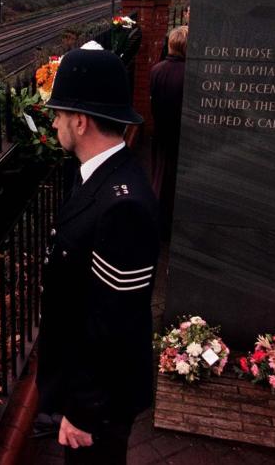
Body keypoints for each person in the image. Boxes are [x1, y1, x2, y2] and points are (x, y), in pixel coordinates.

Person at [36, 48, 160, 464]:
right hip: (90, 390)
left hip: (101, 405)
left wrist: (82, 412)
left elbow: (114, 324)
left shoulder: (122, 203)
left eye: (58, 113)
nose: (53, 122)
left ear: (80, 121)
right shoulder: (96, 174)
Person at [150, 26, 188, 239]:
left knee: (159, 175)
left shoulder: (156, 69)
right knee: (172, 181)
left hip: (160, 129)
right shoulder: (188, 74)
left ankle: (156, 219)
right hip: (179, 132)